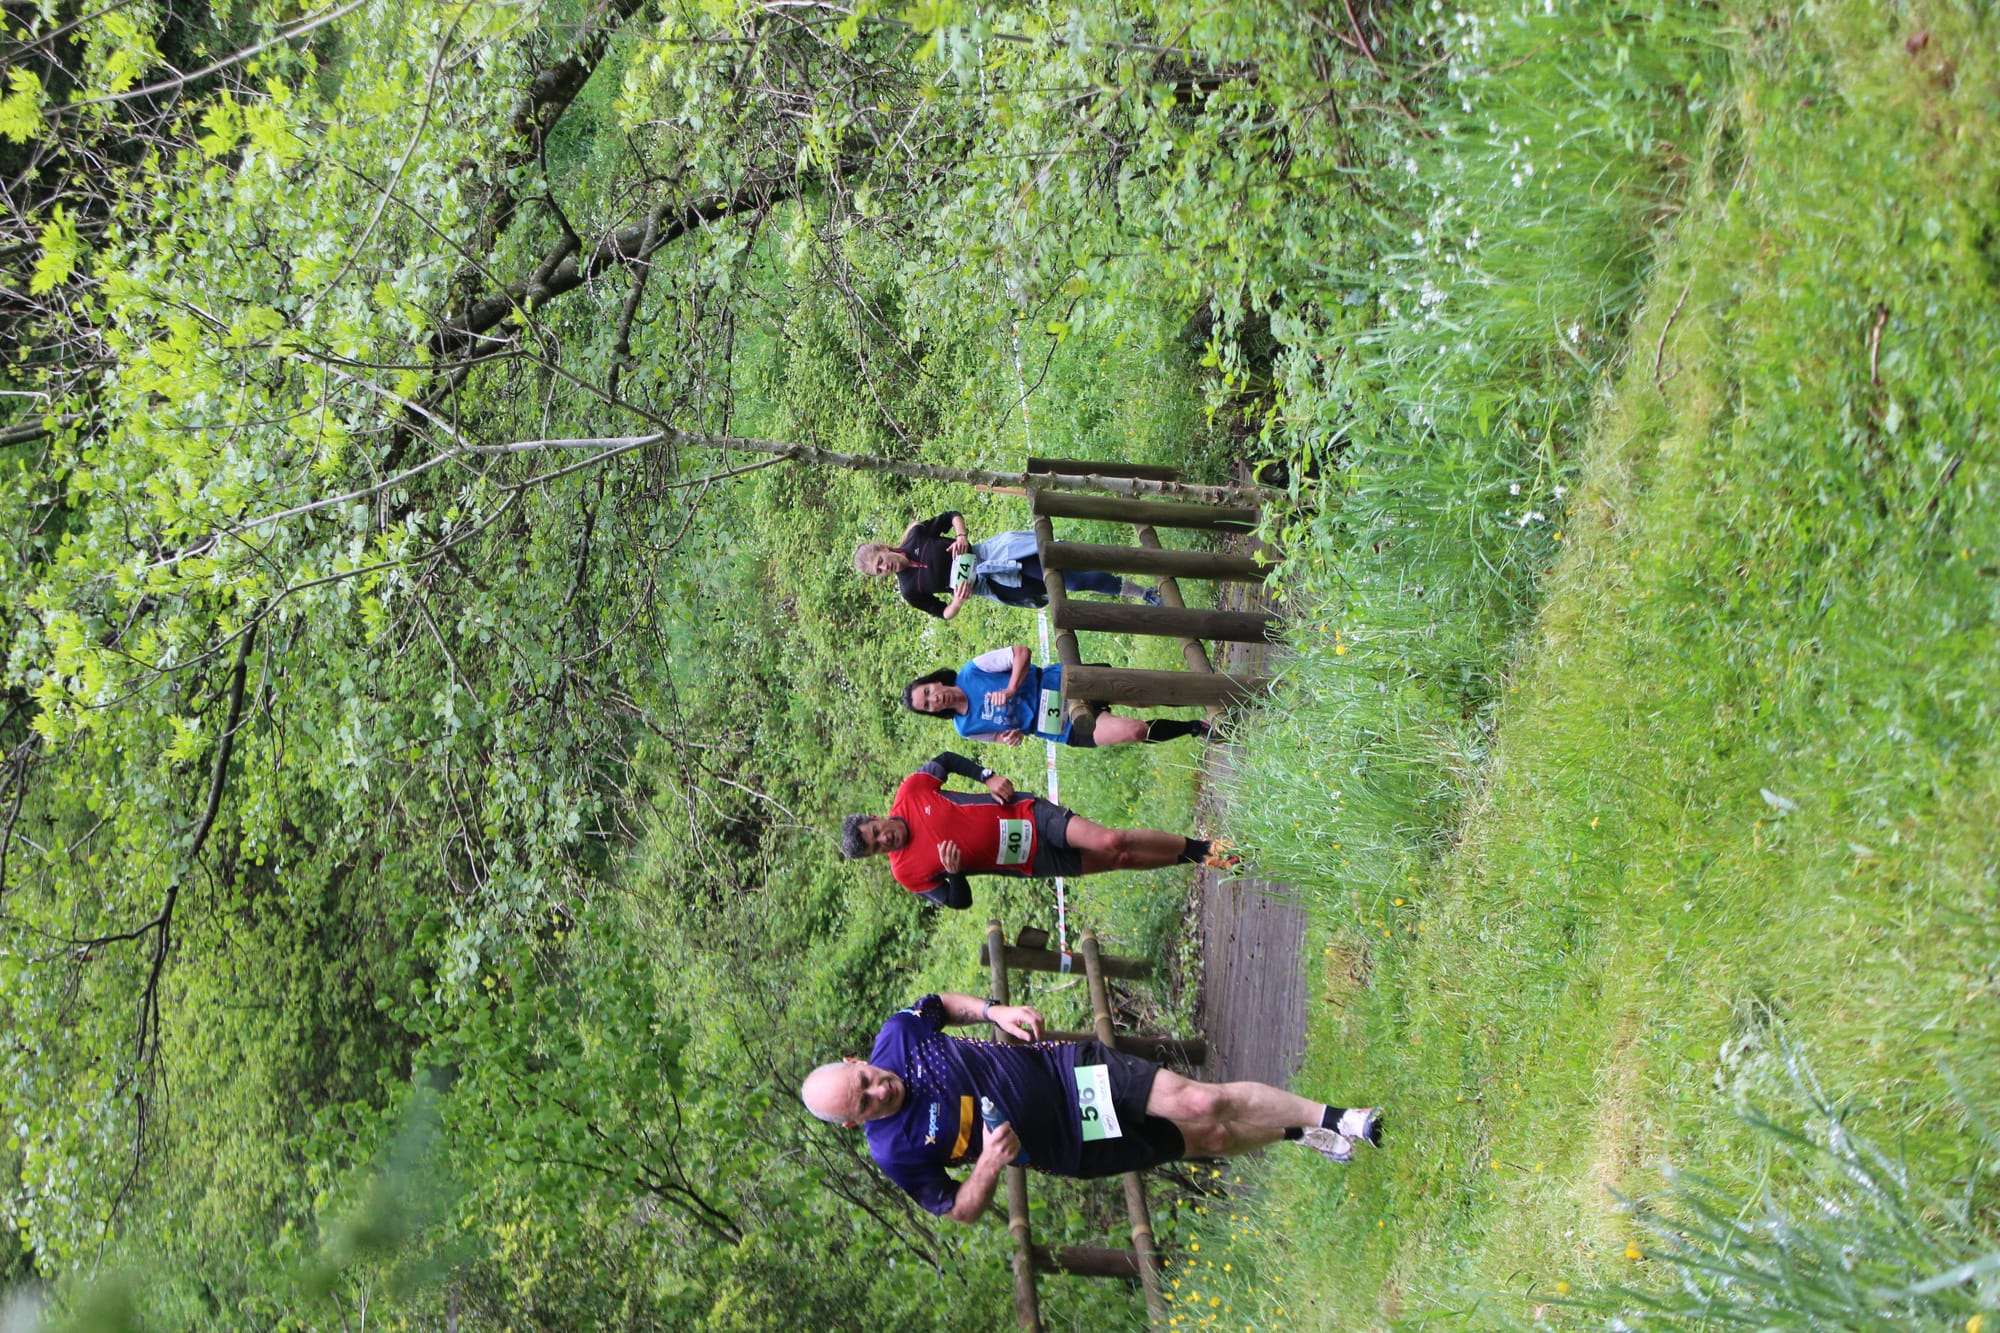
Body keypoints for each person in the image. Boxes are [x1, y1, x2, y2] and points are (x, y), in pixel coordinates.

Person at [799, 993, 1382, 1222]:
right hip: (1071, 1146)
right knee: (1215, 1140)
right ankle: (1295, 1132)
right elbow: (958, 1209)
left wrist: (994, 1011)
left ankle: (1343, 1119)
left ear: (856, 1061)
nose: (880, 1091)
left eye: (867, 1080)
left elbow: (942, 1005)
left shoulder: (898, 1035)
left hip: (1065, 1073)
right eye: (866, 1104)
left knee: (1203, 1101)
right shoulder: (894, 1152)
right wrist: (987, 1167)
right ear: (854, 1123)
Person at [839, 750, 1235, 908]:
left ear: (874, 818)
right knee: (1121, 859)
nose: (884, 840)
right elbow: (958, 902)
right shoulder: (907, 874)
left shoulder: (911, 791)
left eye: (876, 832)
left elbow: (945, 759)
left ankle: (1204, 848)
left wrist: (987, 776)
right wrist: (955, 875)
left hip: (1027, 815)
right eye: (877, 848)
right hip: (1029, 861)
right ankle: (1197, 858)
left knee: (1111, 840)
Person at [852, 510, 1156, 619]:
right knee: (1056, 590)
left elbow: (952, 516)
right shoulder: (909, 590)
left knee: (1070, 578)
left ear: (884, 548)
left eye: (881, 562)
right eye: (879, 572)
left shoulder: (916, 537)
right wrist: (957, 602)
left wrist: (961, 536)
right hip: (991, 585)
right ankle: (1138, 591)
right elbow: (942, 613)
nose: (884, 569)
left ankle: (1143, 590)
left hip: (994, 553)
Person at [903, 646, 1213, 749]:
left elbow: (1021, 653)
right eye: (927, 705)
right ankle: (1194, 727)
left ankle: (1205, 693)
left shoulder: (972, 671)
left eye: (928, 692)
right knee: (1134, 731)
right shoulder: (964, 728)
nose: (935, 699)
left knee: (1142, 696)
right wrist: (1012, 737)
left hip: (1061, 682)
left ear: (934, 681)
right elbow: (1001, 737)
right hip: (1059, 726)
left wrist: (1010, 689)